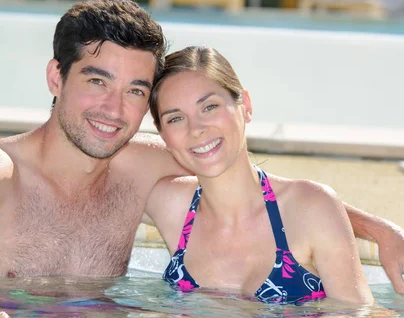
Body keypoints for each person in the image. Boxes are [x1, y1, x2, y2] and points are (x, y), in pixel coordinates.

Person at [0, 0, 404, 318]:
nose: (115, 108)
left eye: (136, 90)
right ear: (56, 76)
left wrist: (380, 229)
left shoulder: (135, 167)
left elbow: (250, 179)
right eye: (97, 81)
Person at [145, 46, 372, 304]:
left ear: (246, 106)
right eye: (175, 119)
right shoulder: (170, 204)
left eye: (209, 107)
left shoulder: (309, 207)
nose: (196, 129)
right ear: (162, 133)